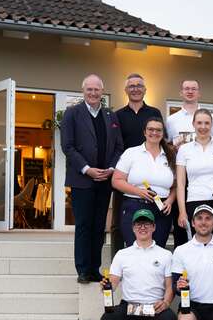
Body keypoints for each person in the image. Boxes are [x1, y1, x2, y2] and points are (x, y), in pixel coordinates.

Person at [61, 74, 123, 284]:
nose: (93, 93)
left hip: (105, 180)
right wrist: (87, 169)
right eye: (90, 89)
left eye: (97, 89)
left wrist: (111, 168)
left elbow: (118, 147)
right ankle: (82, 270)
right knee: (84, 225)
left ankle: (94, 268)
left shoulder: (110, 115)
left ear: (102, 92)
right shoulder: (72, 113)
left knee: (99, 226)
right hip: (82, 180)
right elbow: (67, 146)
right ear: (83, 91)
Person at [112, 74, 164, 258]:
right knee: (119, 222)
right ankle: (119, 260)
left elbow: (162, 139)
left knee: (152, 220)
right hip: (126, 173)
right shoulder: (118, 115)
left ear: (145, 90)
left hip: (151, 170)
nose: (135, 89)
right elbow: (114, 144)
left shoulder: (154, 113)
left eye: (139, 85)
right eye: (131, 86)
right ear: (126, 90)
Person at [112, 117, 176, 248]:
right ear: (144, 132)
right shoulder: (131, 153)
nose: (154, 133)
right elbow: (116, 180)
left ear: (163, 133)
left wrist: (170, 200)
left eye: (158, 130)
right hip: (134, 206)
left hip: (161, 208)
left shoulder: (170, 155)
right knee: (135, 249)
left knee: (158, 250)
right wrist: (138, 191)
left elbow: (176, 186)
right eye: (150, 129)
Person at [176, 109, 213, 242]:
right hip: (194, 201)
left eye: (207, 123)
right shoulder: (184, 149)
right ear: (193, 124)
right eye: (199, 123)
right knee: (195, 246)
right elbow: (181, 183)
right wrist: (182, 212)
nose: (203, 127)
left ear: (212, 125)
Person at [166, 79, 213, 145]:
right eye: (186, 89)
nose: (190, 92)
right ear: (181, 93)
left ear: (199, 93)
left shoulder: (212, 118)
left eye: (194, 89)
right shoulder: (171, 120)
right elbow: (168, 144)